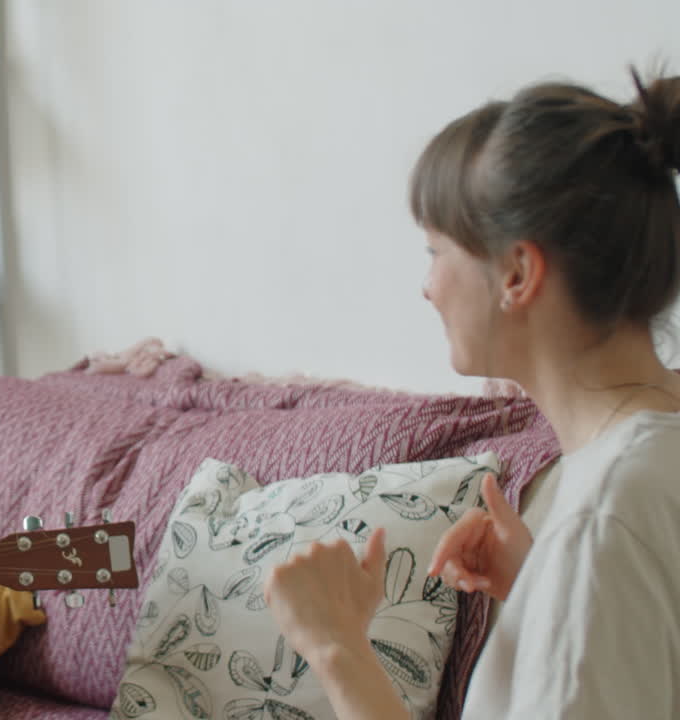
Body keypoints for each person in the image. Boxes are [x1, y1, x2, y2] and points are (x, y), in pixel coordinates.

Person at [263, 68, 680, 718]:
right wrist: (544, 590)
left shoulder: (605, 521)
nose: (426, 287)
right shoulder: (641, 474)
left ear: (516, 272)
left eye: (434, 250)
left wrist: (335, 649)